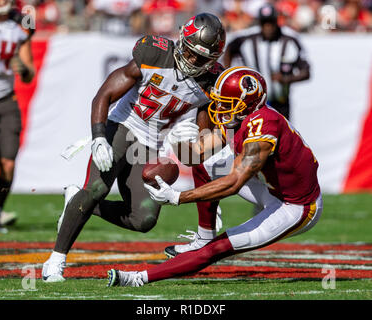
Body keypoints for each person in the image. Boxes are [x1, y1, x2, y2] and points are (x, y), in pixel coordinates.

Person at [41, 12, 226, 282]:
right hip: (124, 126)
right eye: (190, 52)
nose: (193, 61)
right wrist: (99, 137)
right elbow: (104, 94)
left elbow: (199, 147)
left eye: (202, 58)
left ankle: (78, 202)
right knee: (97, 188)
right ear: (181, 40)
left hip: (153, 144)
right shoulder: (154, 53)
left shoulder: (211, 83)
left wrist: (207, 189)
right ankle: (55, 260)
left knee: (143, 219)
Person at [106, 66, 323, 287]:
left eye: (226, 104)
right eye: (218, 101)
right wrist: (177, 141)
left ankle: (138, 278)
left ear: (247, 104)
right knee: (206, 166)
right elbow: (195, 157)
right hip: (269, 186)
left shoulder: (264, 126)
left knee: (218, 248)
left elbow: (233, 183)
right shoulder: (239, 119)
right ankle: (204, 235)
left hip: (295, 205)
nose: (219, 108)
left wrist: (178, 197)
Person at [0, 0, 35, 233]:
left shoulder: (19, 25)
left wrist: (23, 69)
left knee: (7, 163)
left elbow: (28, 74)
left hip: (7, 100)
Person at [223, 3, 310, 120]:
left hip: (280, 101)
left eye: (271, 23)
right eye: (264, 23)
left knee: (281, 135)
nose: (268, 27)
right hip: (252, 101)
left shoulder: (290, 40)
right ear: (260, 23)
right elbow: (229, 48)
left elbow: (306, 72)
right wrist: (228, 73)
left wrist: (286, 79)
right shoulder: (247, 38)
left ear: (276, 21)